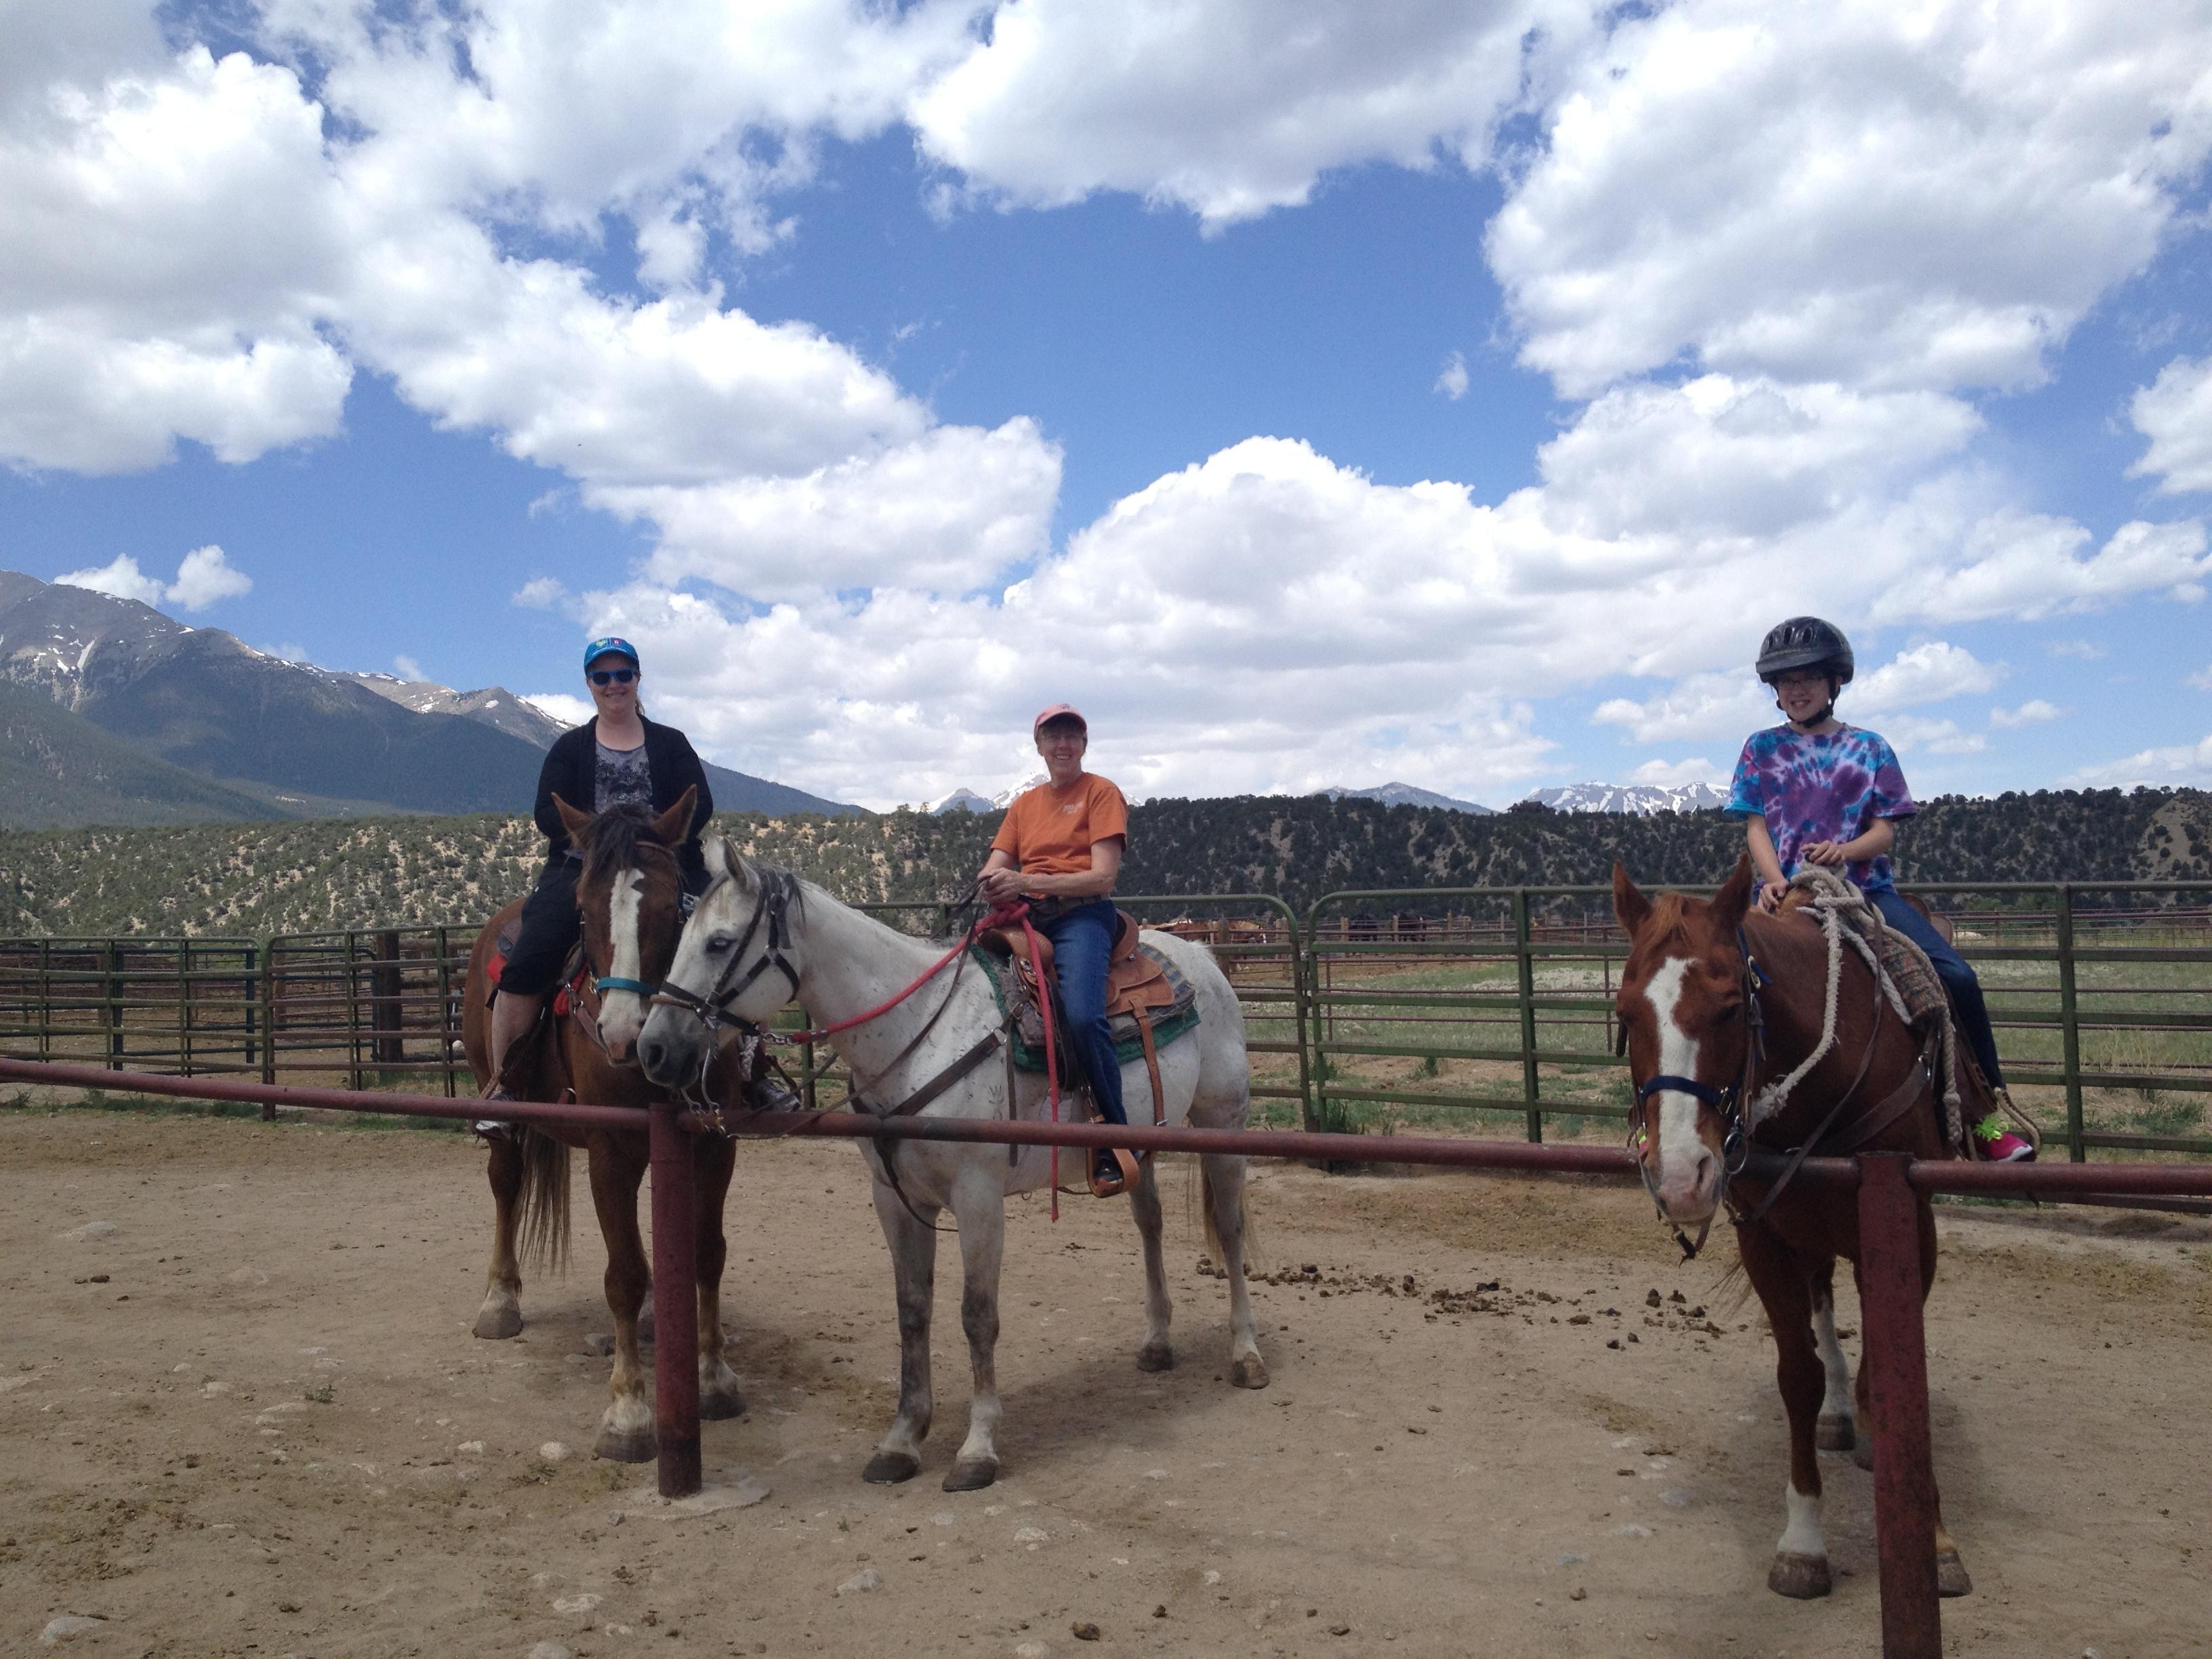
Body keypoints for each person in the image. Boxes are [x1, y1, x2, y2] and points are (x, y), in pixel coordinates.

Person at [1726, 616, 2034, 1162]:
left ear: (1834, 683)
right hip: (1782, 896)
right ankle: (1700, 1122)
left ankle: (1985, 1115)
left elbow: (1885, 830)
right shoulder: (1759, 749)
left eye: (1809, 679)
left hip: (1864, 893)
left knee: (1955, 978)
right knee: (1713, 992)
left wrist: (1844, 852)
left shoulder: (1869, 749)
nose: (1797, 690)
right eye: (1786, 682)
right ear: (1775, 692)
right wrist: (1772, 881)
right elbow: (1756, 825)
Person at [481, 637, 712, 1109]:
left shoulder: (671, 743)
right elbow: (548, 812)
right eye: (602, 677)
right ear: (590, 685)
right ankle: (507, 1084)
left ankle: (753, 1067)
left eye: (623, 675)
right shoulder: (570, 748)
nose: (614, 685)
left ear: (637, 679)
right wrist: (599, 837)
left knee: (733, 935)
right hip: (584, 866)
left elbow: (699, 802)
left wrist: (650, 839)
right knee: (530, 956)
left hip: (664, 865)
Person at [977, 704, 1136, 1196]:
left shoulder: (1101, 792)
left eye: (1072, 736)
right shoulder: (1024, 805)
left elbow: (1103, 876)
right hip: (1030, 913)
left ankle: (1116, 1139)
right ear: (1040, 747)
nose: (1063, 745)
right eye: (1054, 737)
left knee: (1085, 1015)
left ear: (1084, 746)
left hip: (1083, 915)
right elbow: (995, 862)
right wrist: (992, 883)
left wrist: (1024, 879)